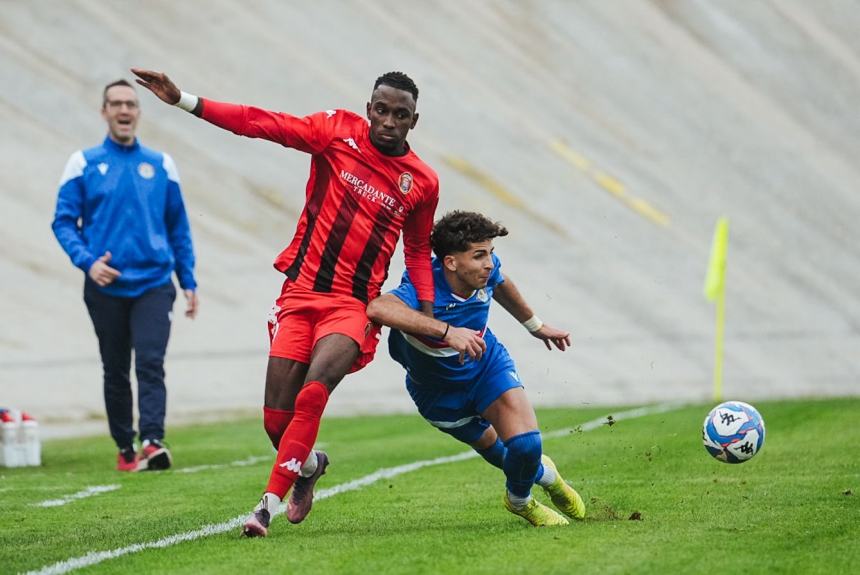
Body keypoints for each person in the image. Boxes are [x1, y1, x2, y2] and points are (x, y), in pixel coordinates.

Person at [131, 68, 486, 536]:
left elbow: (417, 250)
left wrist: (425, 316)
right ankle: (309, 467)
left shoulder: (420, 181)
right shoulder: (335, 131)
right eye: (382, 110)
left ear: (413, 121)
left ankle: (264, 508)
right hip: (300, 294)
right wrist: (184, 100)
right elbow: (261, 123)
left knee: (315, 391)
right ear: (369, 109)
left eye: (401, 115)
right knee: (277, 421)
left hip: (353, 306)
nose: (389, 122)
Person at [366, 211, 586, 527]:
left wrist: (535, 326)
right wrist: (446, 331)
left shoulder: (487, 273)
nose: (489, 263)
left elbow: (502, 283)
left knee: (526, 446)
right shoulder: (422, 285)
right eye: (479, 255)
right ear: (451, 262)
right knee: (504, 456)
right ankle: (548, 476)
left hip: (486, 366)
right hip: (438, 393)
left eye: (491, 253)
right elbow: (378, 308)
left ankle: (520, 501)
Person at [52, 79, 199, 472]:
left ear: (138, 112)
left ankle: (152, 441)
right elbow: (63, 222)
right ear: (104, 112)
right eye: (115, 104)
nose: (123, 110)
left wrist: (188, 282)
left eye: (130, 104)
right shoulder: (82, 163)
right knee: (115, 368)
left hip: (154, 283)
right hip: (105, 286)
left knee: (150, 363)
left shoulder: (162, 164)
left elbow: (178, 228)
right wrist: (88, 262)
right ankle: (125, 448)